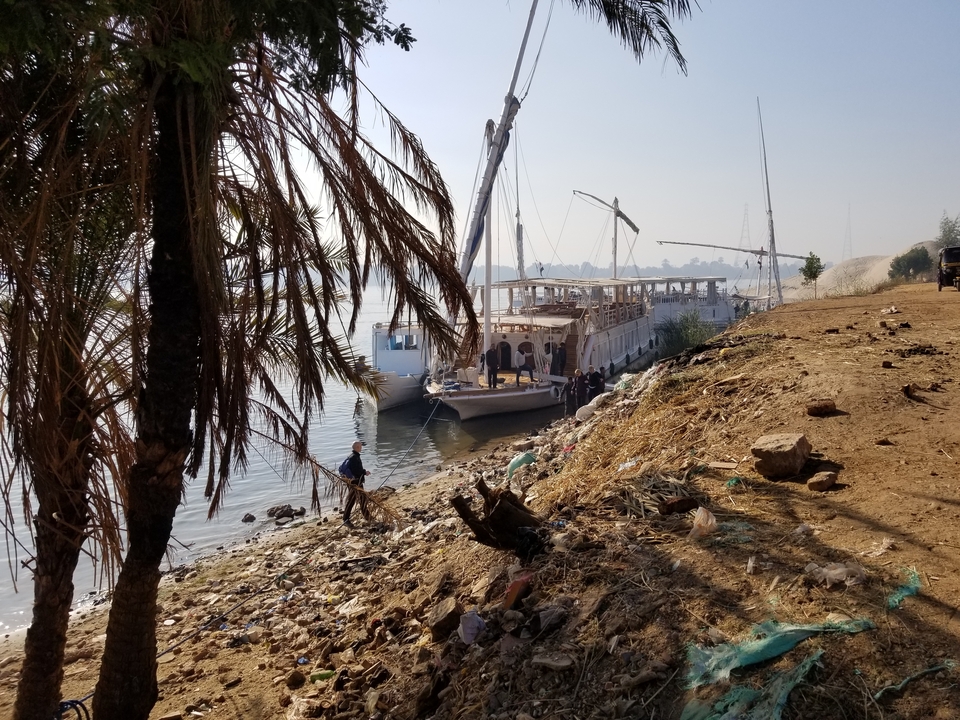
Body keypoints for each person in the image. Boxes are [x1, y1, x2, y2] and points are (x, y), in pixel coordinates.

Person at [342, 441, 371, 528]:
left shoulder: (352, 456)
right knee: (352, 501)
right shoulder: (354, 457)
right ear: (357, 447)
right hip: (355, 482)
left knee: (363, 498)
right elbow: (356, 470)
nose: (361, 447)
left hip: (355, 481)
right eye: (360, 446)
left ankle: (366, 515)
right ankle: (345, 519)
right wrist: (364, 472)